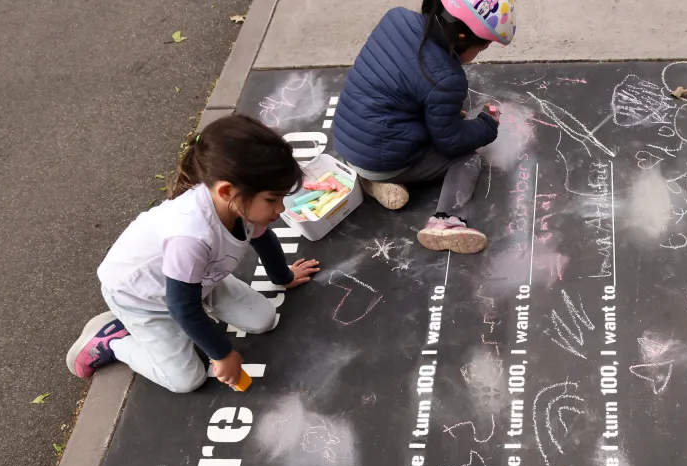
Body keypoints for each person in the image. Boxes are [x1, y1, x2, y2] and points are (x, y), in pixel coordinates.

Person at [65, 115, 321, 393]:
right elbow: (182, 307)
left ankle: (200, 320)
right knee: (187, 380)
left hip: (197, 281)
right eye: (273, 200)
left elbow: (264, 239)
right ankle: (111, 341)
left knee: (264, 319)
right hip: (144, 299)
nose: (280, 209)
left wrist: (282, 276)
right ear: (227, 191)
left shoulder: (240, 204)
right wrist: (222, 354)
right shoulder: (190, 236)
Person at [330, 0, 516, 255]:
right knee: (466, 159)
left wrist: (441, 113)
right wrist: (486, 125)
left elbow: (400, 86)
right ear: (461, 37)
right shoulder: (446, 78)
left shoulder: (395, 19)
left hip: (350, 138)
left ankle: (370, 181)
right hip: (383, 157)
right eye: (481, 48)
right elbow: (451, 141)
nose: (477, 55)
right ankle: (446, 221)